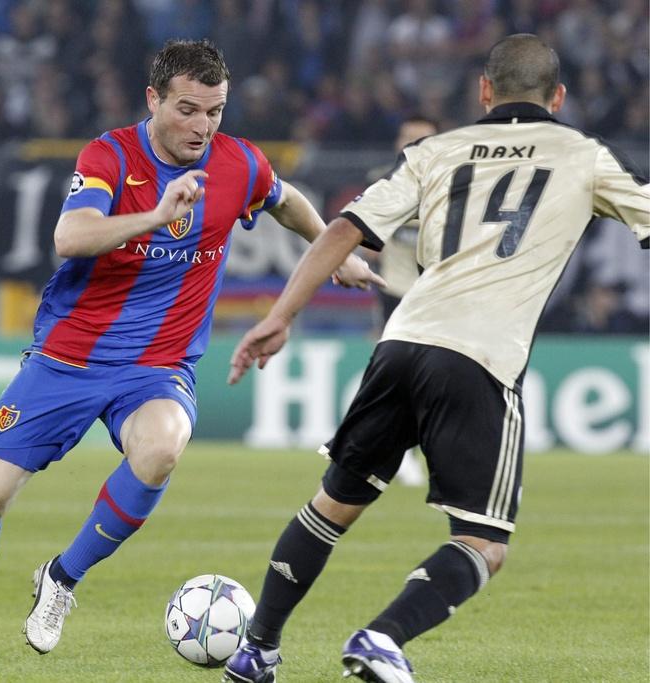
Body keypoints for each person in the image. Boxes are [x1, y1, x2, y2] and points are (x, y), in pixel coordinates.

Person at [0, 39, 384, 660]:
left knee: (163, 445)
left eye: (215, 112)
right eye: (188, 109)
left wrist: (335, 250)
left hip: (158, 367)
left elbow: (287, 198)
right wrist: (155, 217)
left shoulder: (238, 164)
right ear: (154, 99)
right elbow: (70, 236)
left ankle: (61, 578)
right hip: (68, 357)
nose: (203, 127)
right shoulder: (109, 156)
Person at [223, 33, 648, 683]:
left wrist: (279, 316)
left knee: (332, 505)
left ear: (483, 91)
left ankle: (257, 648)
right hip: (478, 357)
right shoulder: (582, 155)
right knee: (482, 542)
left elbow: (343, 229)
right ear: (558, 97)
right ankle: (381, 636)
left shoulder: (435, 150)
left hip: (400, 341)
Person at [368, 115, 440, 489]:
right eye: (406, 137)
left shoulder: (453, 181)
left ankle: (424, 450)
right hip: (394, 291)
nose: (411, 145)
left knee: (437, 379)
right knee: (397, 377)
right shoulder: (382, 179)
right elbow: (362, 233)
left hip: (438, 292)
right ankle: (401, 452)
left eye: (421, 139)